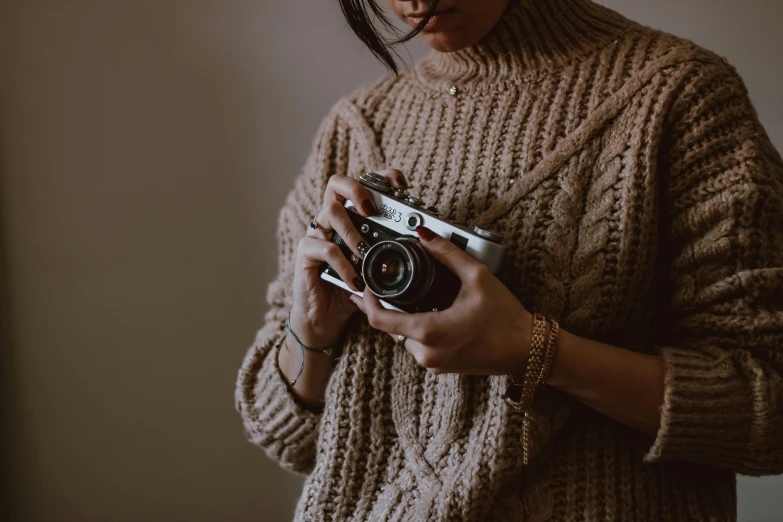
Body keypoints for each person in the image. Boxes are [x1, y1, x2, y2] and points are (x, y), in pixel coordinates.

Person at [236, 0, 783, 520]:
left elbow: (767, 406)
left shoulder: (675, 94)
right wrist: (311, 330)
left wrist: (535, 350)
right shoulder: (357, 123)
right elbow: (283, 432)